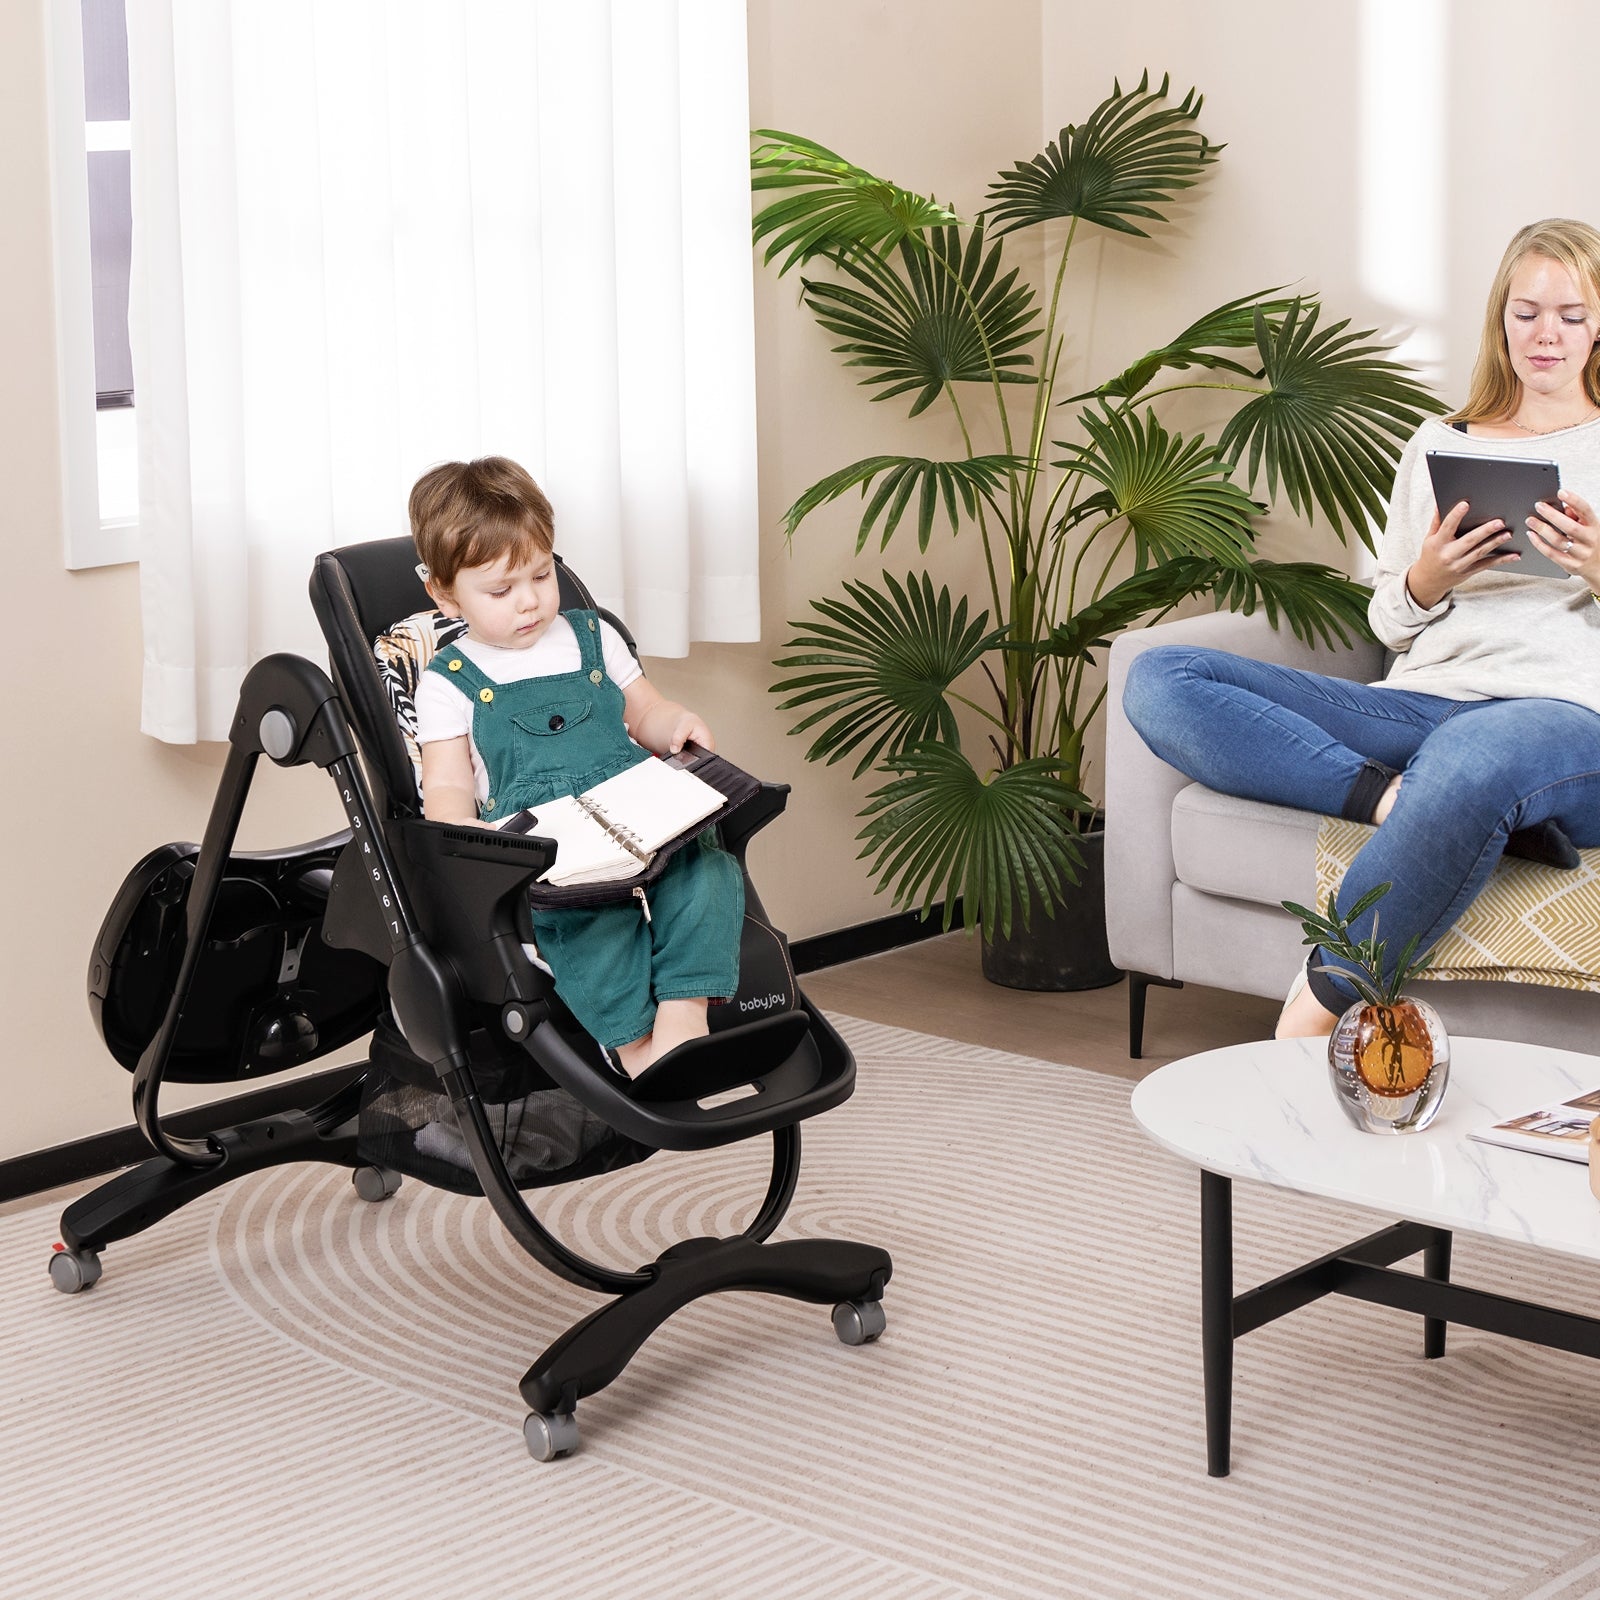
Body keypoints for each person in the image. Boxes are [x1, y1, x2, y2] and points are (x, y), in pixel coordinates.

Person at [1122, 217, 1600, 1040]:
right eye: (1526, 312)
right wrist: (1429, 578)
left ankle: (1317, 1003)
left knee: (1475, 754)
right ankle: (1403, 803)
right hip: (1424, 703)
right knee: (1160, 679)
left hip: (1562, 716)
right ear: (1501, 321)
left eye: (1570, 314)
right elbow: (1389, 618)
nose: (1546, 334)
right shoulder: (1437, 443)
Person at [410, 456, 743, 1075]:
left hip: (639, 810)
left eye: (542, 574)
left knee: (708, 873)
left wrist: (674, 723)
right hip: (556, 845)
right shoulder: (446, 682)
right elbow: (448, 782)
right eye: (501, 590)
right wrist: (464, 833)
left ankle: (684, 1012)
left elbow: (642, 710)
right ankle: (634, 1046)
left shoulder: (595, 637)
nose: (530, 602)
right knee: (592, 926)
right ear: (445, 595)